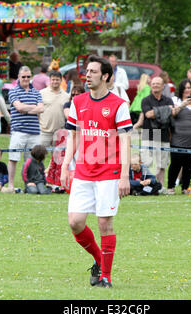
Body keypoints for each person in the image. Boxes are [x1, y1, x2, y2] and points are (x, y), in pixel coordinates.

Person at [60, 54, 132, 289]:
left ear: (106, 76)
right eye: (87, 71)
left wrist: (123, 176)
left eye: (92, 72)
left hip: (109, 174)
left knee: (104, 224)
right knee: (75, 222)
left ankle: (106, 278)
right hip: (83, 171)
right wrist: (65, 165)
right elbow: (72, 136)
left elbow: (125, 141)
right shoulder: (78, 102)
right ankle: (99, 260)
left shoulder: (119, 105)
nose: (87, 75)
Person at [7, 66, 44, 190]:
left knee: (32, 160)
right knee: (13, 158)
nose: (26, 79)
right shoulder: (13, 91)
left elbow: (41, 109)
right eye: (23, 76)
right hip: (18, 130)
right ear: (19, 77)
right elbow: (19, 108)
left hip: (34, 132)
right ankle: (10, 184)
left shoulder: (36, 92)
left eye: (28, 76)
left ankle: (29, 184)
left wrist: (25, 107)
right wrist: (33, 107)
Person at [167, 79, 191, 195]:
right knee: (175, 164)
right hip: (178, 139)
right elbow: (172, 113)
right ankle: (171, 186)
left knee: (189, 165)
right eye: (186, 88)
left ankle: (185, 187)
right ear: (181, 89)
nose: (188, 90)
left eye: (189, 88)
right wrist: (183, 105)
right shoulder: (175, 100)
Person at [141, 76, 174, 190]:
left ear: (163, 86)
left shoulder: (168, 100)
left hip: (163, 133)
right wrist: (165, 110)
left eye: (158, 84)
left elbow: (172, 113)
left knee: (162, 163)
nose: (155, 85)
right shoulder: (145, 100)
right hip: (149, 134)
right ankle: (149, 186)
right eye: (153, 83)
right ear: (150, 85)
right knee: (148, 162)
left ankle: (160, 186)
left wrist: (156, 112)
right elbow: (148, 115)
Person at [39, 70, 69, 147]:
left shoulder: (66, 96)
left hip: (59, 131)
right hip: (44, 131)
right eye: (53, 79)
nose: (55, 81)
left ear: (61, 80)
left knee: (57, 157)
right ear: (50, 80)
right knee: (40, 156)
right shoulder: (41, 93)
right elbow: (37, 111)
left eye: (57, 80)